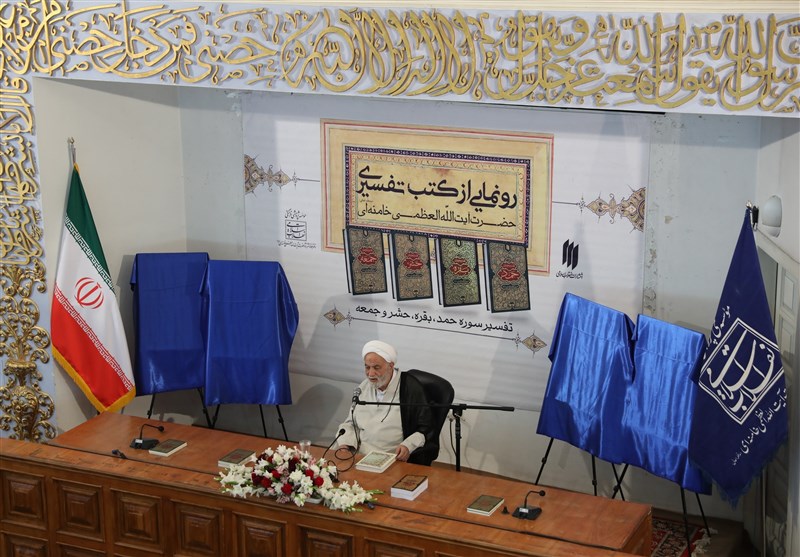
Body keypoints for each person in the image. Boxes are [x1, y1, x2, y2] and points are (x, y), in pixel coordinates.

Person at [337, 340, 434, 463]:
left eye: (376, 367)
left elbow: (426, 428)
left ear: (391, 366)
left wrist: (408, 446)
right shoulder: (364, 386)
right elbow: (350, 423)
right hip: (359, 455)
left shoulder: (410, 387)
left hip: (392, 458)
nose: (371, 374)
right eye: (367, 367)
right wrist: (345, 445)